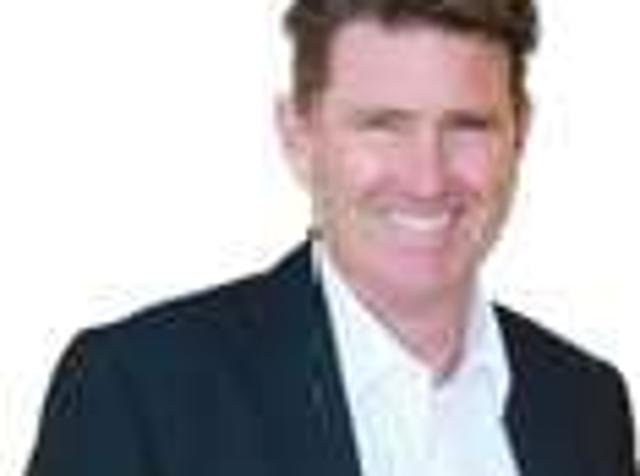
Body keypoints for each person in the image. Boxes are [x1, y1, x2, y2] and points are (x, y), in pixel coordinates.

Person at [26, 0, 636, 475]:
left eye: (467, 126)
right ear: (299, 136)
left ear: (520, 134)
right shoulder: (139, 391)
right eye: (383, 125)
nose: (427, 178)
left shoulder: (586, 404)